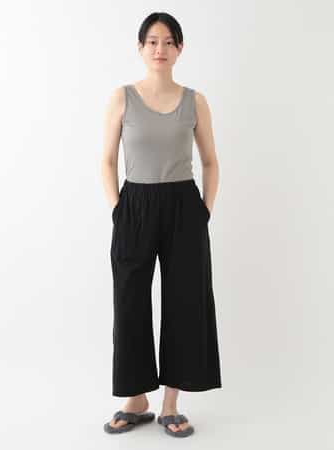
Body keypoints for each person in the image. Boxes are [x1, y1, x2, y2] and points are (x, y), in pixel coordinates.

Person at [101, 12, 222, 438]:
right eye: (152, 41)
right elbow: (107, 161)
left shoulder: (195, 101)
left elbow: (210, 162)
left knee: (185, 303)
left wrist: (203, 211)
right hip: (134, 205)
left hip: (184, 206)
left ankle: (171, 404)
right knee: (129, 302)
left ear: (179, 49)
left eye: (169, 42)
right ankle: (135, 399)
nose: (160, 49)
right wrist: (119, 209)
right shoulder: (122, 98)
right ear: (140, 48)